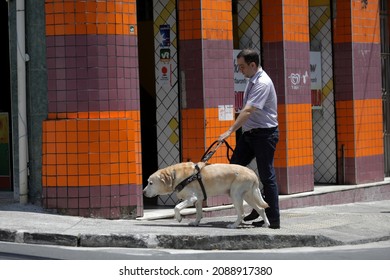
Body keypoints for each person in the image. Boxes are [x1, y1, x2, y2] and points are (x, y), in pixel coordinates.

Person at [219, 49, 280, 229]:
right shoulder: (251, 80)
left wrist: (229, 131)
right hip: (250, 134)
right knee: (235, 167)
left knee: (266, 175)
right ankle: (257, 206)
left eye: (242, 66)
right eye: (239, 67)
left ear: (253, 65)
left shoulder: (262, 83)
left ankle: (274, 219)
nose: (240, 70)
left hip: (264, 134)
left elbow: (247, 110)